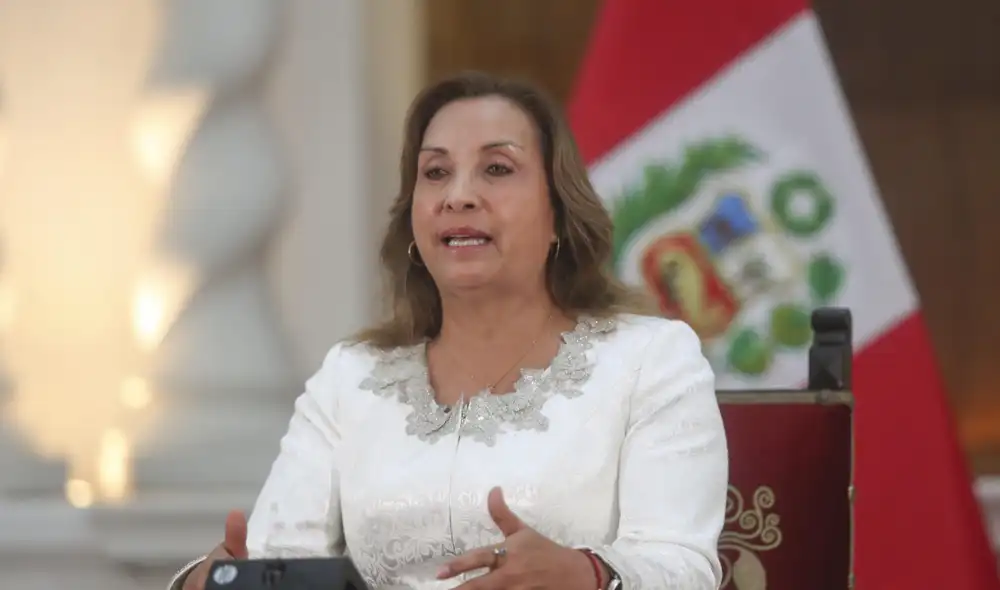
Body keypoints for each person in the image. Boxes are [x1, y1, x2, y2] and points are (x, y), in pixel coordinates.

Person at [171, 71, 729, 590]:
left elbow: (683, 566)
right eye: (435, 172)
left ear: (558, 213)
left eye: (497, 169)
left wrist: (586, 574)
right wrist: (210, 579)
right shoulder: (353, 377)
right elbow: (275, 560)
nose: (458, 195)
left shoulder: (650, 360)